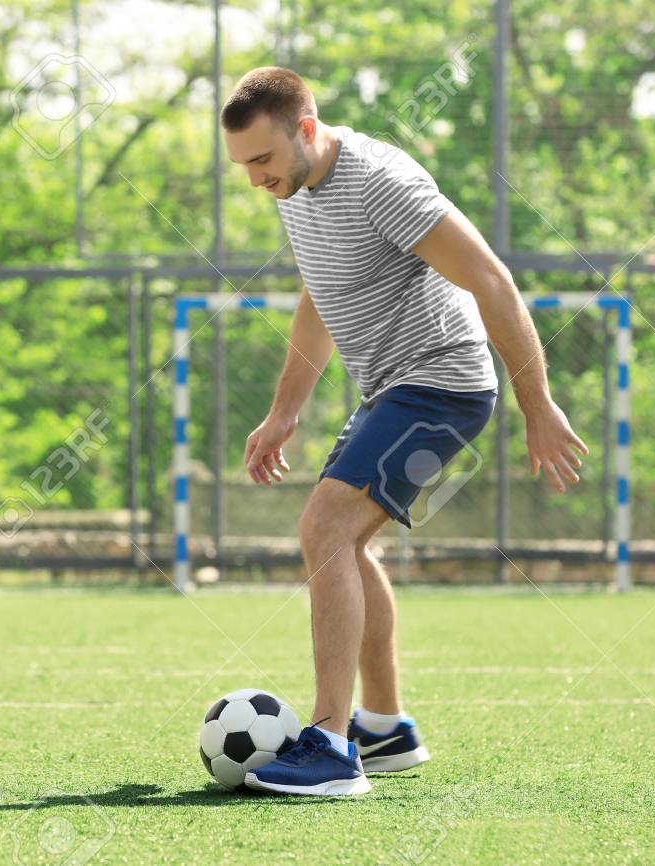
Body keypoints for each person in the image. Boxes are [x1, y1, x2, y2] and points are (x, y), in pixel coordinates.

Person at [221, 68, 589, 796]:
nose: (254, 178)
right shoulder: (295, 191)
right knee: (347, 539)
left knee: (324, 525)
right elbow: (318, 296)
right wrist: (284, 409)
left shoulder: (379, 179)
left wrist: (538, 404)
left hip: (444, 385)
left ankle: (330, 746)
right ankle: (384, 728)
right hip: (392, 390)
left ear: (305, 129)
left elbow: (490, 278)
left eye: (262, 160)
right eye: (241, 165)